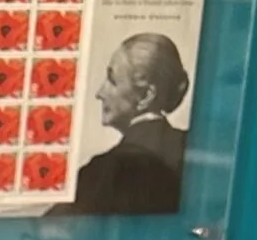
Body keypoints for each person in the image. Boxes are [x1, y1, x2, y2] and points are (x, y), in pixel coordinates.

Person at [72, 32, 190, 213]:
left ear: (146, 96)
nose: (100, 93)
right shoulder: (191, 149)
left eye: (112, 81)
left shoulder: (102, 172)